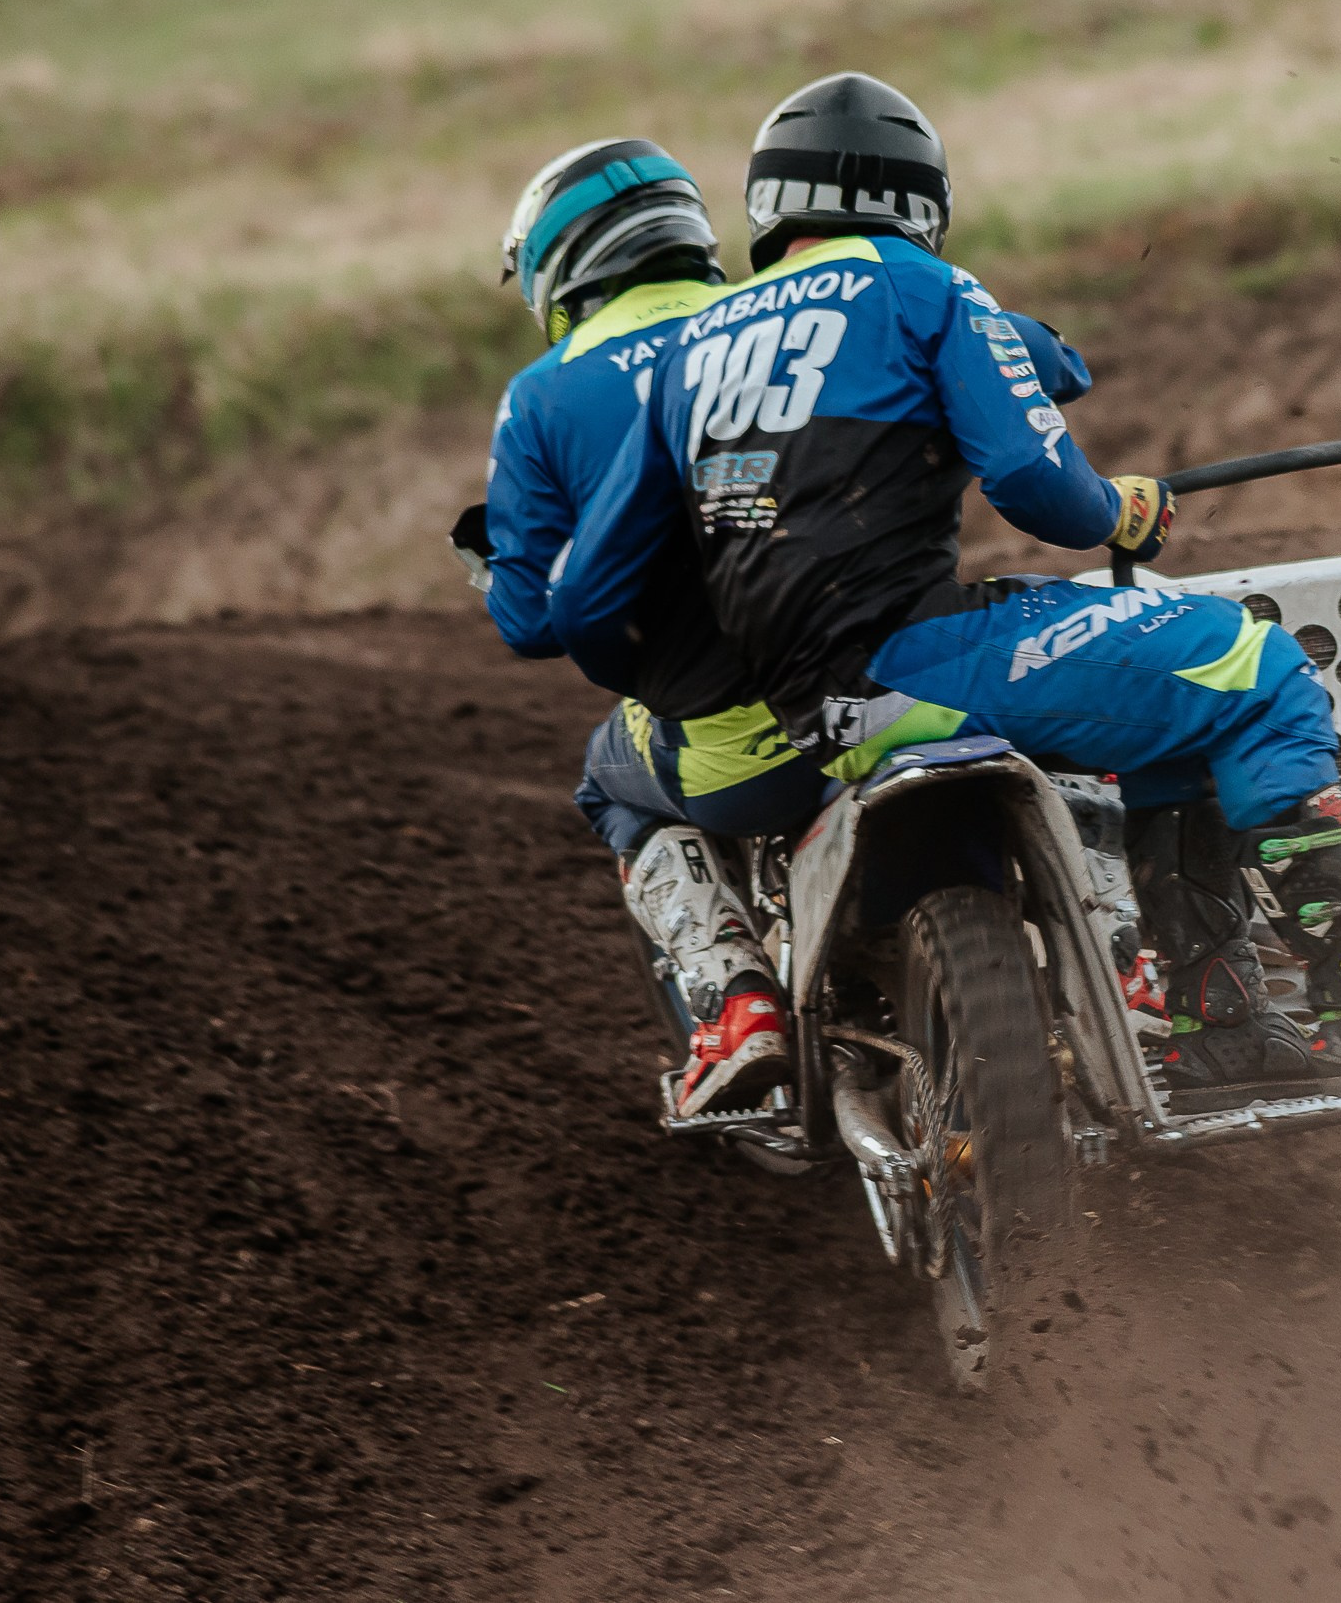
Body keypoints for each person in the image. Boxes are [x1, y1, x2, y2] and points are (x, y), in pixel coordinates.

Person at [551, 75, 1341, 1094]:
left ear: (768, 207)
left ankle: (1227, 1024)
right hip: (914, 655)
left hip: (793, 706)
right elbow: (1039, 489)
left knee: (1167, 711)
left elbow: (590, 592)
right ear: (920, 198)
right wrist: (1122, 511)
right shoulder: (924, 287)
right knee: (1248, 666)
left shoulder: (692, 349)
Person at [452, 135, 1093, 1117]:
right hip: (894, 668)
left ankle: (734, 996)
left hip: (732, 736)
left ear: (556, 264)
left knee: (608, 777)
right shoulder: (786, 311)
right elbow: (1026, 359)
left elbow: (533, 619)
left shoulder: (544, 394)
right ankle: (1119, 953)